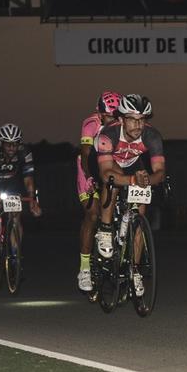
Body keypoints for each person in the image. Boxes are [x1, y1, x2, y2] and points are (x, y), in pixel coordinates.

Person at [94, 94, 165, 298]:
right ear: (121, 119)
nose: (138, 124)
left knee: (141, 205)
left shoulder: (152, 136)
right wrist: (133, 180)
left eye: (142, 119)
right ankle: (106, 229)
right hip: (108, 162)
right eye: (133, 119)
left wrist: (146, 181)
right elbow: (106, 172)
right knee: (113, 182)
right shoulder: (108, 134)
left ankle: (134, 269)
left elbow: (159, 171)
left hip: (133, 164)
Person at [77, 90, 121, 292]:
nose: (113, 120)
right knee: (93, 215)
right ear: (100, 112)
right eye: (109, 116)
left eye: (116, 116)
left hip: (110, 167)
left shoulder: (122, 124)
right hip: (89, 168)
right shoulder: (90, 124)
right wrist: (91, 178)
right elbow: (86, 155)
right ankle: (85, 269)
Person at [0, 124, 42, 255]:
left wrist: (32, 199)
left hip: (12, 183)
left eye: (14, 144)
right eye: (8, 144)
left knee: (16, 215)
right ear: (1, 142)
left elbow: (28, 178)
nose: (11, 148)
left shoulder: (24, 151)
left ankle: (15, 254)